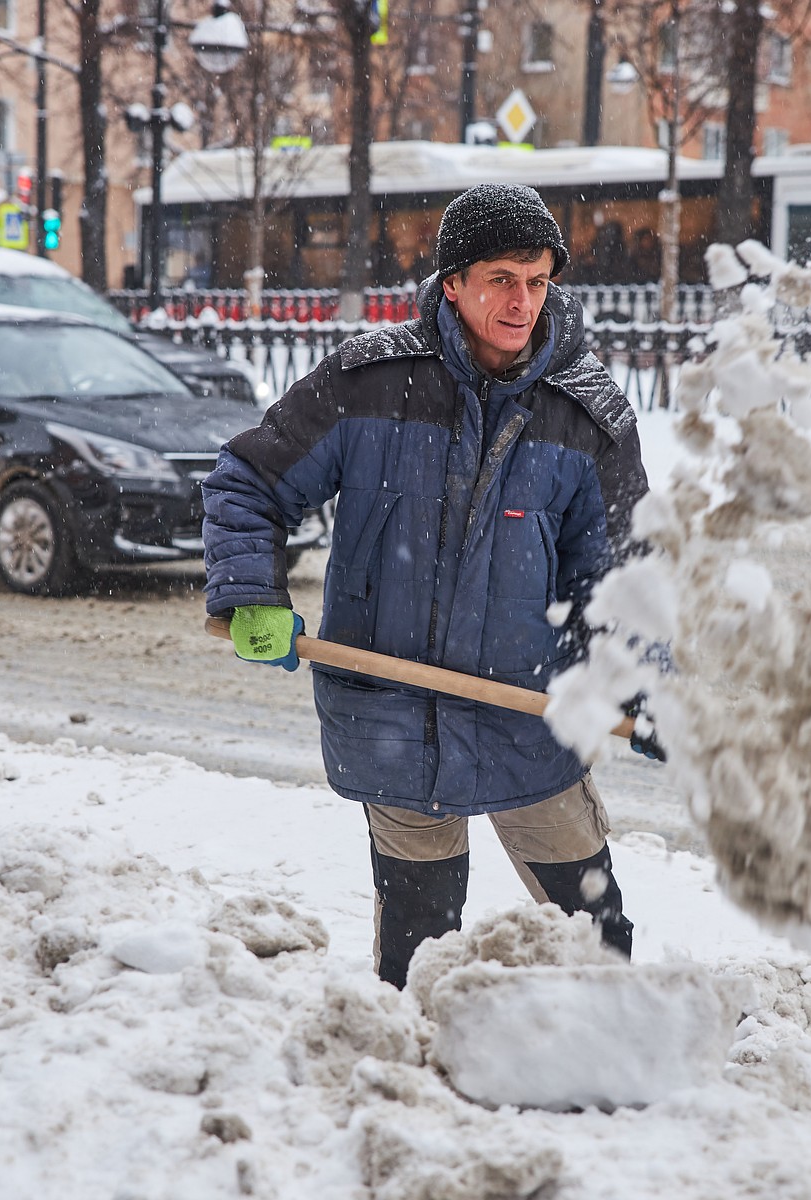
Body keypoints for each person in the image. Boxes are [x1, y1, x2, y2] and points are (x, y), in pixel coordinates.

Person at [201, 183, 651, 988]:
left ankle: (617, 1063)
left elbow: (621, 577)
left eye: (538, 281)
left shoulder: (586, 418)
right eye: (502, 279)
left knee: (597, 940)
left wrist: (639, 682)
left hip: (533, 728)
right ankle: (412, 1083)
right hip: (395, 720)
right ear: (453, 281)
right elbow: (248, 479)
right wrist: (251, 594)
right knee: (416, 958)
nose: (523, 302)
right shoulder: (370, 384)